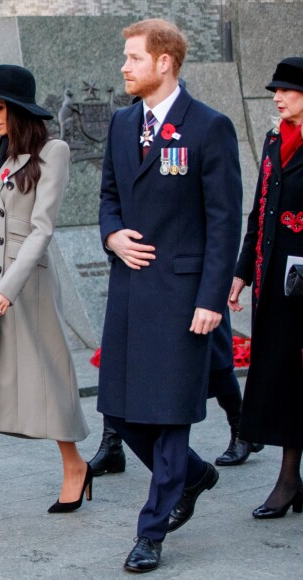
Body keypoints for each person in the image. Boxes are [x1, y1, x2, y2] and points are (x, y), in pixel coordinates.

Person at [98, 19, 242, 572]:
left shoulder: (210, 127)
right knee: (123, 409)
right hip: (131, 292)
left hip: (185, 299)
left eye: (134, 58)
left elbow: (224, 221)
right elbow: (109, 197)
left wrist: (211, 299)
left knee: (171, 413)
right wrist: (111, 234)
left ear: (165, 62)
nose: (124, 67)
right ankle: (195, 473)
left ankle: (150, 531)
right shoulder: (120, 123)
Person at [0, 64, 90, 526]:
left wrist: (7, 288)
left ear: (20, 111)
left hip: (24, 282)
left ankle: (74, 465)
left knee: (45, 378)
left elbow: (41, 231)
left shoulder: (55, 151)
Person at [229, 56, 303, 519]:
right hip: (276, 286)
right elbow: (260, 212)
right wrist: (241, 273)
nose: (276, 97)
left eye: (286, 90)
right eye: (275, 89)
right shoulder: (276, 139)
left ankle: (289, 480)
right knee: (282, 379)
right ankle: (290, 477)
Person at [89, 309, 264, 474]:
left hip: (191, 286)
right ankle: (111, 444)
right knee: (125, 352)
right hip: (144, 285)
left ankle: (242, 431)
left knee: (213, 354)